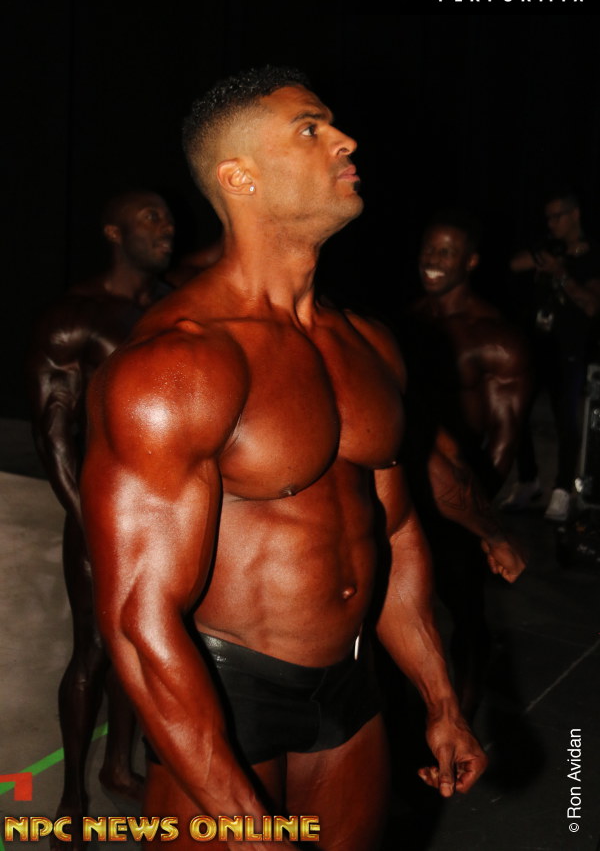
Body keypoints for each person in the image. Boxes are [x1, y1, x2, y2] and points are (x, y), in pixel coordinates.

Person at [80, 66, 488, 851]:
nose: (346, 140)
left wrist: (440, 699)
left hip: (352, 688)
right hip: (227, 696)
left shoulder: (369, 343)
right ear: (240, 178)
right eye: (311, 129)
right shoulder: (178, 366)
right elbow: (137, 621)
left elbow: (397, 533)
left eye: (333, 124)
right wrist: (245, 823)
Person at [26, 189, 175, 848]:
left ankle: (121, 767)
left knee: (152, 649)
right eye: (151, 218)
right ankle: (71, 798)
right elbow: (53, 434)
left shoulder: (177, 304)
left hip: (174, 510)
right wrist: (90, 521)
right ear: (115, 232)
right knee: (92, 649)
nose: (166, 227)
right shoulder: (76, 315)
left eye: (169, 217)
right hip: (101, 507)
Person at [400, 209, 531, 718]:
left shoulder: (494, 337)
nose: (432, 260)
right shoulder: (407, 321)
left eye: (446, 252)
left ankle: (467, 715)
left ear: (470, 261)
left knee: (465, 612)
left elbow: (504, 441)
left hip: (459, 495)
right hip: (407, 488)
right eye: (429, 248)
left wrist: (477, 518)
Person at [502, 187, 600, 521]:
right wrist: (545, 259)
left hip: (569, 350)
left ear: (575, 214)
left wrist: (562, 272)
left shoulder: (592, 255)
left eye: (557, 216)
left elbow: (592, 305)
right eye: (548, 217)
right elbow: (514, 264)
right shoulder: (550, 247)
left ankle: (562, 490)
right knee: (516, 413)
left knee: (566, 420)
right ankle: (528, 481)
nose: (551, 223)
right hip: (537, 346)